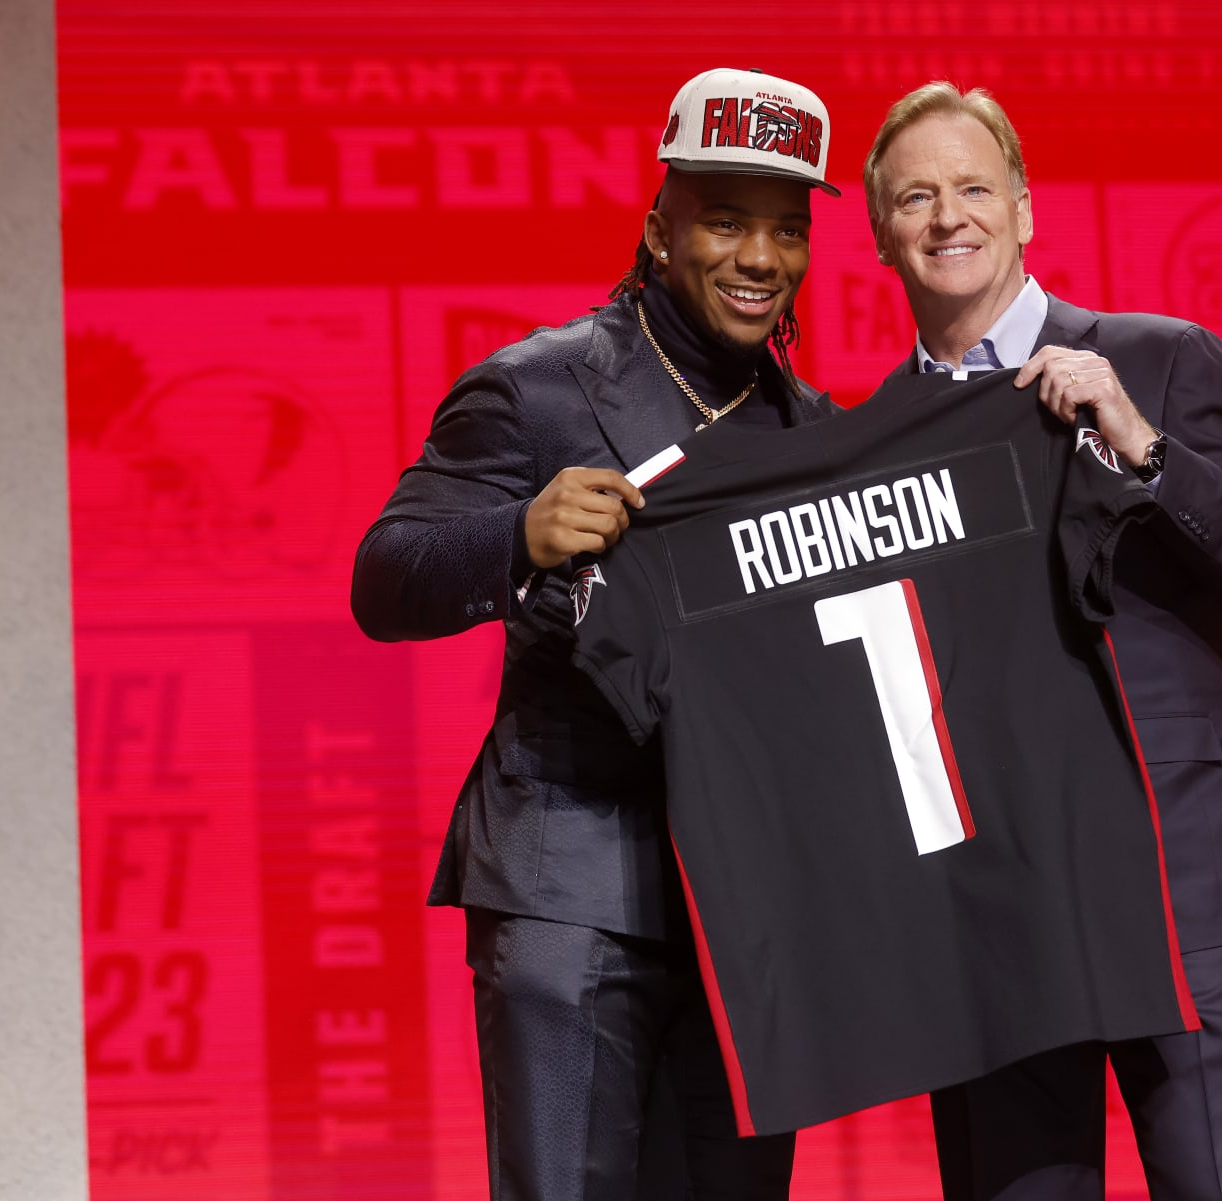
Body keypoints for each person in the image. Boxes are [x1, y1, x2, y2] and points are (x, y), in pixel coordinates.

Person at [351, 67, 841, 1201]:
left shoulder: (812, 431)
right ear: (659, 228)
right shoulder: (539, 390)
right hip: (570, 895)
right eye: (726, 222)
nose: (760, 259)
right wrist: (517, 533)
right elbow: (386, 578)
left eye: (786, 230)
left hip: (744, 923)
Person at [862, 82, 1222, 1200]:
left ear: (1024, 207)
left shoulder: (1156, 361)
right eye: (915, 197)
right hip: (995, 913)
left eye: (973, 187)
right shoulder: (868, 436)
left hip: (1178, 890)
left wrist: (1143, 443)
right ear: (880, 236)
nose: (947, 217)